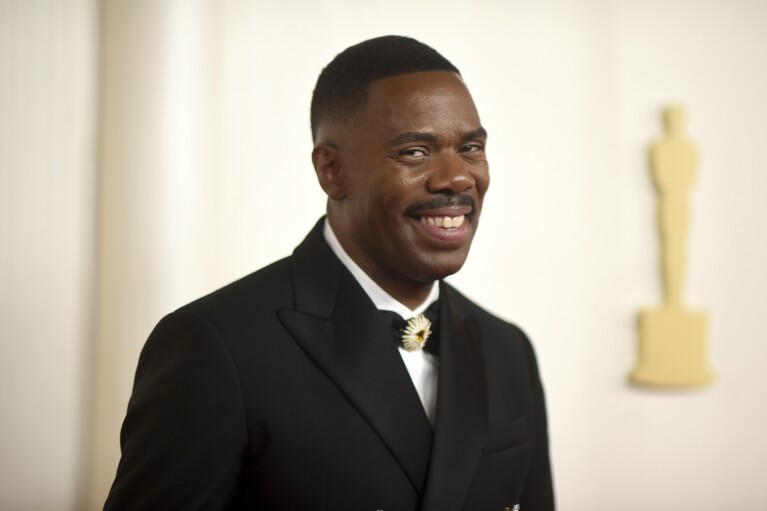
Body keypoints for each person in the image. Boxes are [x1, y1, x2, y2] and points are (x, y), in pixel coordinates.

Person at [105, 35, 554, 511]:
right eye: (415, 152)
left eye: (470, 147)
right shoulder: (215, 347)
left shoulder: (509, 351)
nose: (457, 178)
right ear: (331, 171)